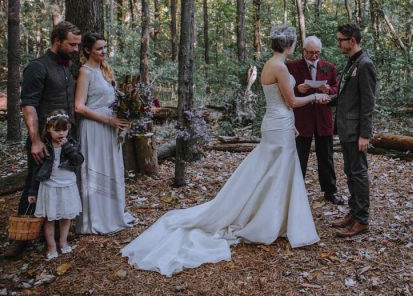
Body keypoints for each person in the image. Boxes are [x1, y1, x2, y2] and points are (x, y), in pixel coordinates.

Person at [121, 24, 328, 276]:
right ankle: (268, 221)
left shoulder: (269, 64)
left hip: (278, 123)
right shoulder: (281, 68)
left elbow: (281, 102)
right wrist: (315, 97)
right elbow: (293, 101)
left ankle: (274, 218)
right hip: (279, 122)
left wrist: (292, 123)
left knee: (275, 171)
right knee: (278, 171)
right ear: (289, 45)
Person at [3, 21, 81, 259]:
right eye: (72, 44)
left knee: (63, 182)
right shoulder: (37, 67)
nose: (76, 49)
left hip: (66, 139)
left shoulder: (68, 67)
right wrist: (36, 140)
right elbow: (29, 106)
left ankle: (60, 231)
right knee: (34, 184)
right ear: (57, 40)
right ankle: (20, 239)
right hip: (43, 141)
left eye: (78, 44)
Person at [75, 33, 134, 234]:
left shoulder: (105, 71)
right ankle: (96, 218)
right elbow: (79, 107)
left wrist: (123, 118)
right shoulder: (86, 72)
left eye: (105, 47)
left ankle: (111, 213)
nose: (104, 52)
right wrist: (108, 120)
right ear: (87, 50)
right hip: (94, 128)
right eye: (99, 48)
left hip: (110, 128)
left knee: (111, 168)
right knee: (96, 168)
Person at [332, 23, 377, 238]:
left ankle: (362, 220)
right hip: (345, 128)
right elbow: (347, 97)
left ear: (352, 40)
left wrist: (364, 135)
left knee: (359, 174)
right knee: (350, 172)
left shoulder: (365, 64)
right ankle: (354, 212)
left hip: (356, 130)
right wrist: (328, 98)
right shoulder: (352, 63)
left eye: (341, 39)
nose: (338, 43)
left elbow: (368, 103)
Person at [287, 35, 343, 205]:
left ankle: (330, 191)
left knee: (326, 156)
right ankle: (296, 191)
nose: (314, 56)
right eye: (310, 53)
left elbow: (337, 90)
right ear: (303, 51)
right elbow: (284, 91)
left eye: (317, 53)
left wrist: (328, 89)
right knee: (299, 156)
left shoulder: (329, 67)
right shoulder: (291, 66)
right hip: (301, 119)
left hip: (322, 118)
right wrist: (297, 88)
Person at [29, 111, 84, 260]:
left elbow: (78, 161)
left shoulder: (72, 143)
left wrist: (67, 147)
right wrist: (32, 191)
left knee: (66, 217)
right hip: (49, 186)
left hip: (67, 185)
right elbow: (36, 170)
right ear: (48, 129)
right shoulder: (44, 146)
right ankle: (51, 246)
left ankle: (63, 242)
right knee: (49, 218)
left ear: (68, 129)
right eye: (57, 130)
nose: (61, 133)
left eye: (64, 129)